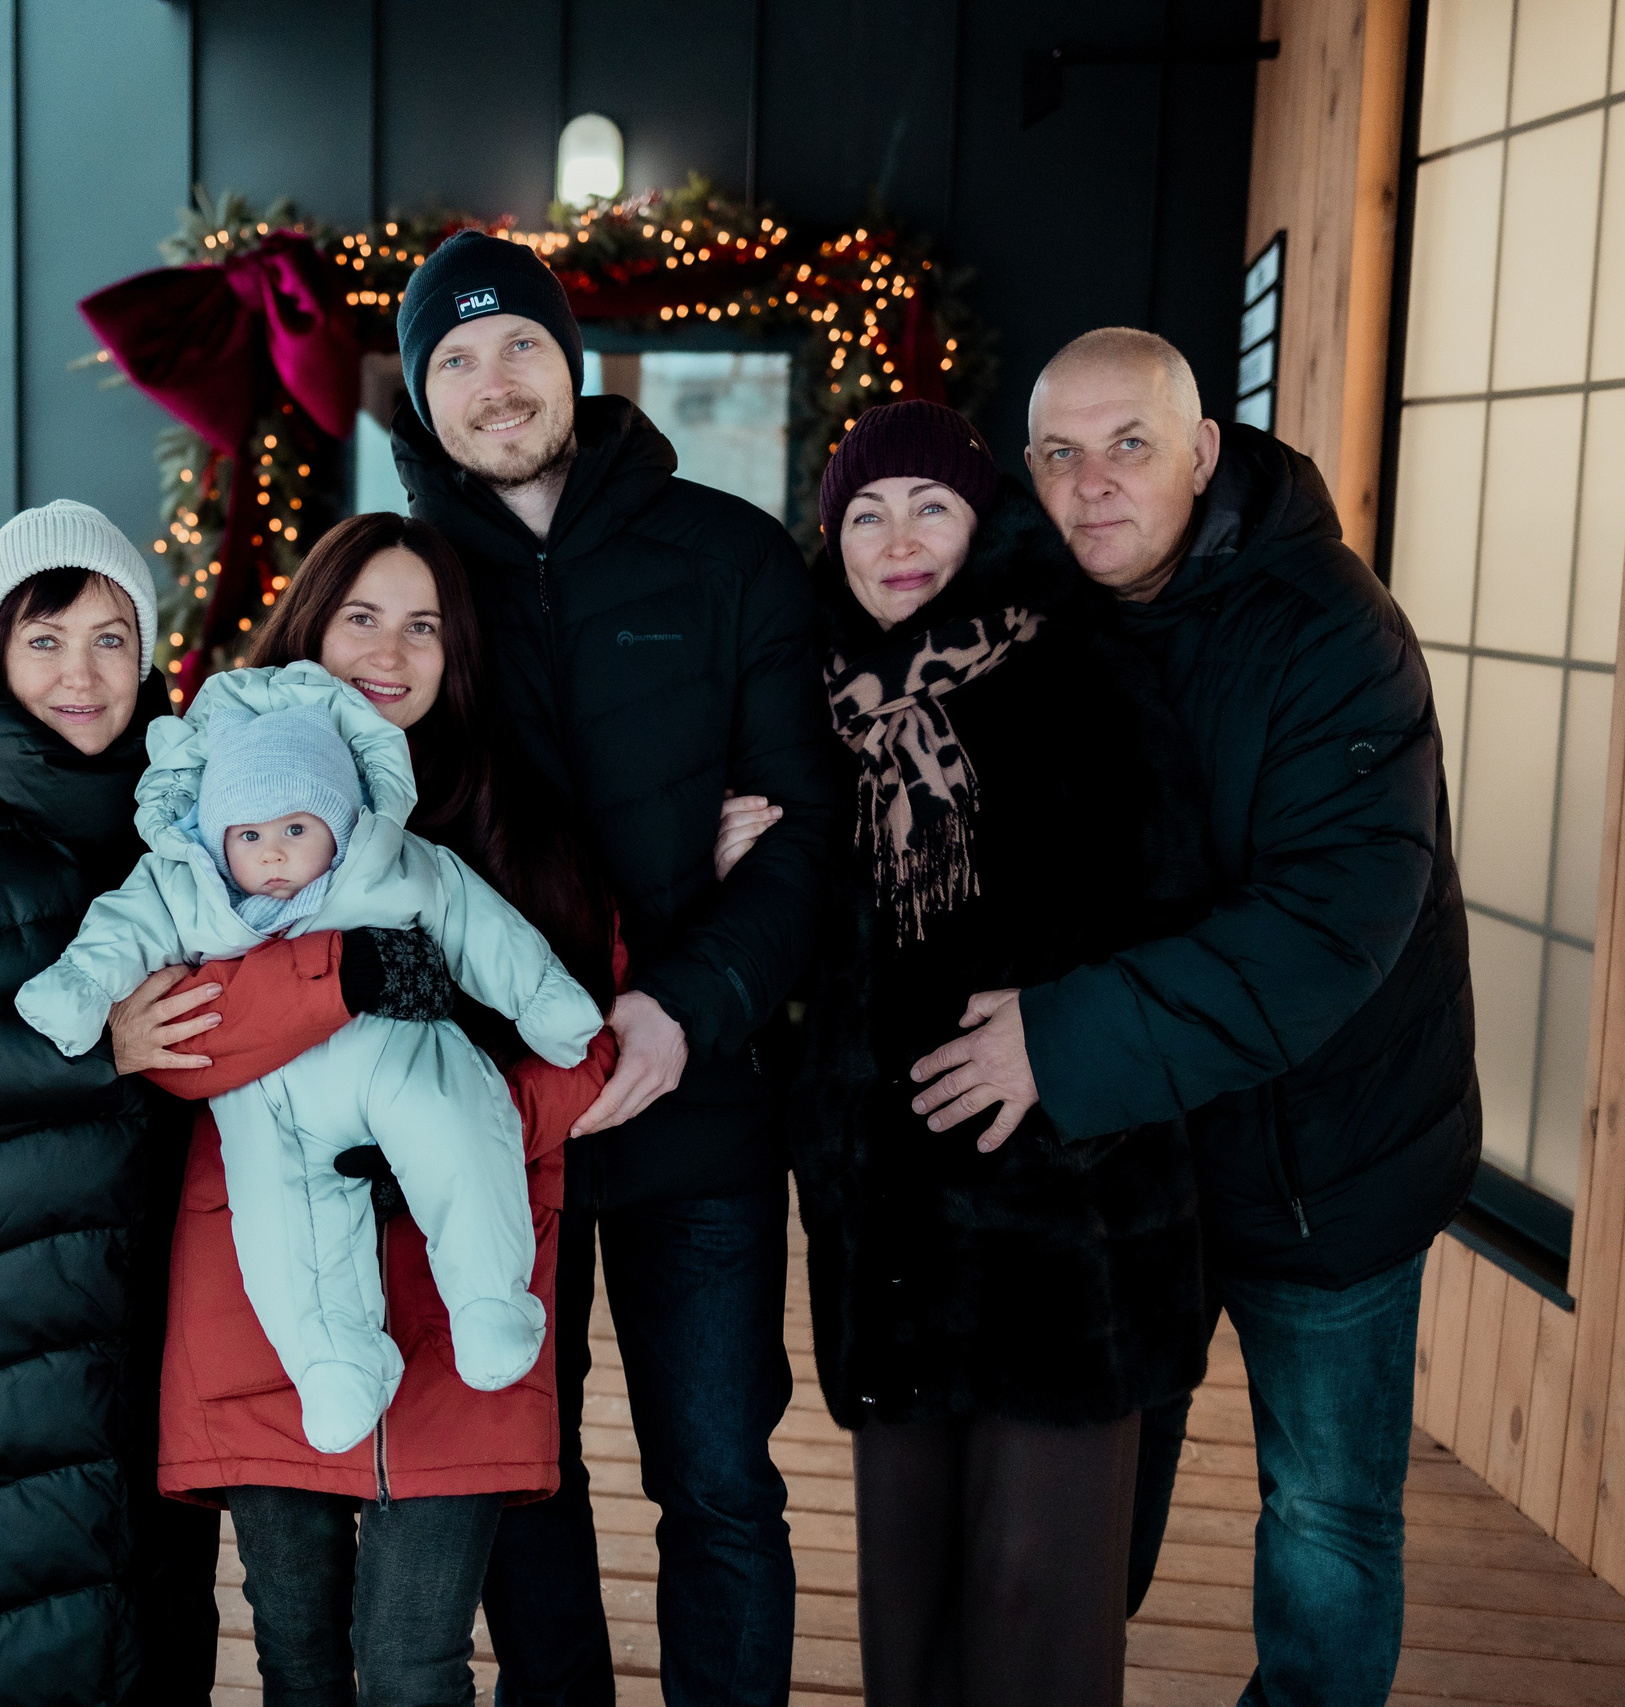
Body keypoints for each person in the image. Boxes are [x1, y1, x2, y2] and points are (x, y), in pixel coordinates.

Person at [0, 499, 448, 1704]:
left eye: (111, 640)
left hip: (122, 1325)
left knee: (114, 1639)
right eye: (45, 639)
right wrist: (90, 1054)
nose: (80, 676)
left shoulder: (184, 817)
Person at [907, 328, 1478, 1706]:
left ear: (1206, 450)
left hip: (1321, 1159)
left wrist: (1064, 1039)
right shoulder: (1023, 615)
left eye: (1130, 446)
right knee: (1097, 1508)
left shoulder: (1332, 629)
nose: (1092, 484)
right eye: (1057, 453)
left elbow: (1326, 925)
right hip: (1129, 1168)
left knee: (1327, 1517)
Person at [391, 230, 845, 1706]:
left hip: (693, 1096)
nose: (491, 381)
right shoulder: (404, 590)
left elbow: (807, 836)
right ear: (422, 395)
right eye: (451, 359)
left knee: (716, 1474)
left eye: (515, 342)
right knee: (525, 1471)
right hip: (493, 1109)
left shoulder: (727, 557)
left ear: (568, 358)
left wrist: (685, 1000)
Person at [140, 512, 627, 1706]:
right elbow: (173, 1040)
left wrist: (455, 1137)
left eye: (424, 627)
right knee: (299, 1660)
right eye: (360, 615)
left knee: (415, 1669)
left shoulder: (521, 829)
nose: (388, 652)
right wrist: (346, 978)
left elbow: (586, 1047)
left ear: (460, 655)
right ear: (308, 621)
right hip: (266, 1297)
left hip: (466, 1306)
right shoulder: (217, 815)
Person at [789, 401, 1213, 1707]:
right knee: (909, 1594)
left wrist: (1061, 1044)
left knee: (1042, 1591)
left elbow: (1174, 903)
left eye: (930, 506)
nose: (896, 539)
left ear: (986, 523)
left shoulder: (1080, 662)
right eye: (865, 512)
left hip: (1062, 1202)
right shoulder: (812, 701)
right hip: (891, 1216)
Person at [15, 658, 603, 1452]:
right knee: (283, 1228)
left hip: (400, 1055)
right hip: (269, 1096)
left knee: (460, 1137)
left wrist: (549, 1006)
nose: (276, 854)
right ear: (218, 837)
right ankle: (336, 1363)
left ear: (340, 820)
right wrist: (78, 990)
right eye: (250, 836)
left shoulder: (390, 863)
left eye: (298, 828)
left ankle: (492, 1303)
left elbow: (482, 928)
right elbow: (120, 931)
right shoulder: (187, 884)